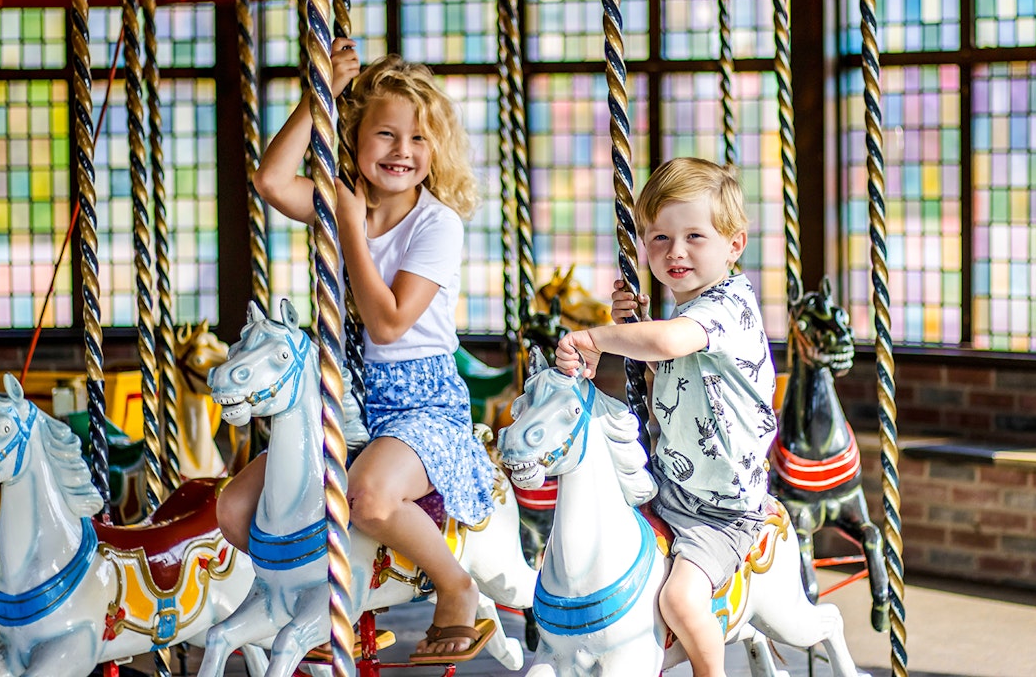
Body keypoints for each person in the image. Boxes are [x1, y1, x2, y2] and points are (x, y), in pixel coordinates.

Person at [216, 39, 498, 663]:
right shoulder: (345, 200)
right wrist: (316, 94)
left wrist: (348, 226)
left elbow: (390, 322)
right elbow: (269, 180)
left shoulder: (436, 224)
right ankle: (311, 607)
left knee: (367, 497)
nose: (402, 152)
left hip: (420, 403)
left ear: (436, 150)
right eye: (386, 135)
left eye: (419, 139)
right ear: (355, 136)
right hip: (346, 396)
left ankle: (456, 586)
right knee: (237, 509)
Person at [553, 157, 777, 677]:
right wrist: (636, 327)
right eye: (658, 238)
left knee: (679, 599)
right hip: (670, 486)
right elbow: (670, 380)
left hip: (719, 509)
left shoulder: (729, 306)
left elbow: (670, 344)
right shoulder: (682, 312)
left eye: (694, 236)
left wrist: (597, 337)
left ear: (734, 245)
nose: (674, 252)